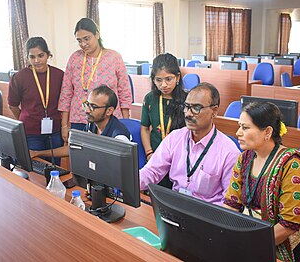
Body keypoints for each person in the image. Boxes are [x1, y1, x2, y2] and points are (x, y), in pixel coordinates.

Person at [223, 102, 300, 262]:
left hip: (279, 241)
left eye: (245, 128)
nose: (238, 133)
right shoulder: (245, 158)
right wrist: (224, 233)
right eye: (239, 126)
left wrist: (250, 246)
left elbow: (288, 225)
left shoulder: (292, 165)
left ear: (267, 132)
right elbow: (232, 204)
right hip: (245, 234)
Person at [139, 82, 240, 205]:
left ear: (214, 111)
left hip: (208, 216)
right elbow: (152, 172)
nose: (188, 114)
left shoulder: (229, 152)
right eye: (186, 106)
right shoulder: (175, 138)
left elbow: (229, 202)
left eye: (196, 108)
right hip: (175, 207)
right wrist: (127, 180)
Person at [58, 18, 132, 143]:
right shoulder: (75, 58)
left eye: (86, 38)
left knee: (106, 157)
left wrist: (125, 122)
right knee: (80, 156)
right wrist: (64, 125)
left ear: (97, 35)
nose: (83, 44)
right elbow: (66, 93)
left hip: (108, 119)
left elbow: (124, 91)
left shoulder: (114, 57)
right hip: (79, 118)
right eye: (79, 40)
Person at [31, 85, 130, 159]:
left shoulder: (119, 138)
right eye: (87, 104)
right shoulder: (92, 125)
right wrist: (38, 153)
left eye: (93, 107)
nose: (87, 110)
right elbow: (74, 148)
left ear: (109, 111)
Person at [8, 37, 63, 165]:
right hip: (31, 132)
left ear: (48, 55)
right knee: (36, 169)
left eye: (41, 55)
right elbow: (13, 105)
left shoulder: (59, 75)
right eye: (32, 57)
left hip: (55, 130)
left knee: (55, 168)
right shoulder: (19, 77)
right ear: (27, 58)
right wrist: (27, 118)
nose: (37, 61)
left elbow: (65, 103)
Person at [141, 53, 187, 188]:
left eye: (168, 79)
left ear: (177, 77)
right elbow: (144, 128)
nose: (163, 85)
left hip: (179, 159)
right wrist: (149, 153)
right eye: (158, 80)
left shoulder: (187, 100)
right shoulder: (150, 99)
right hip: (155, 157)